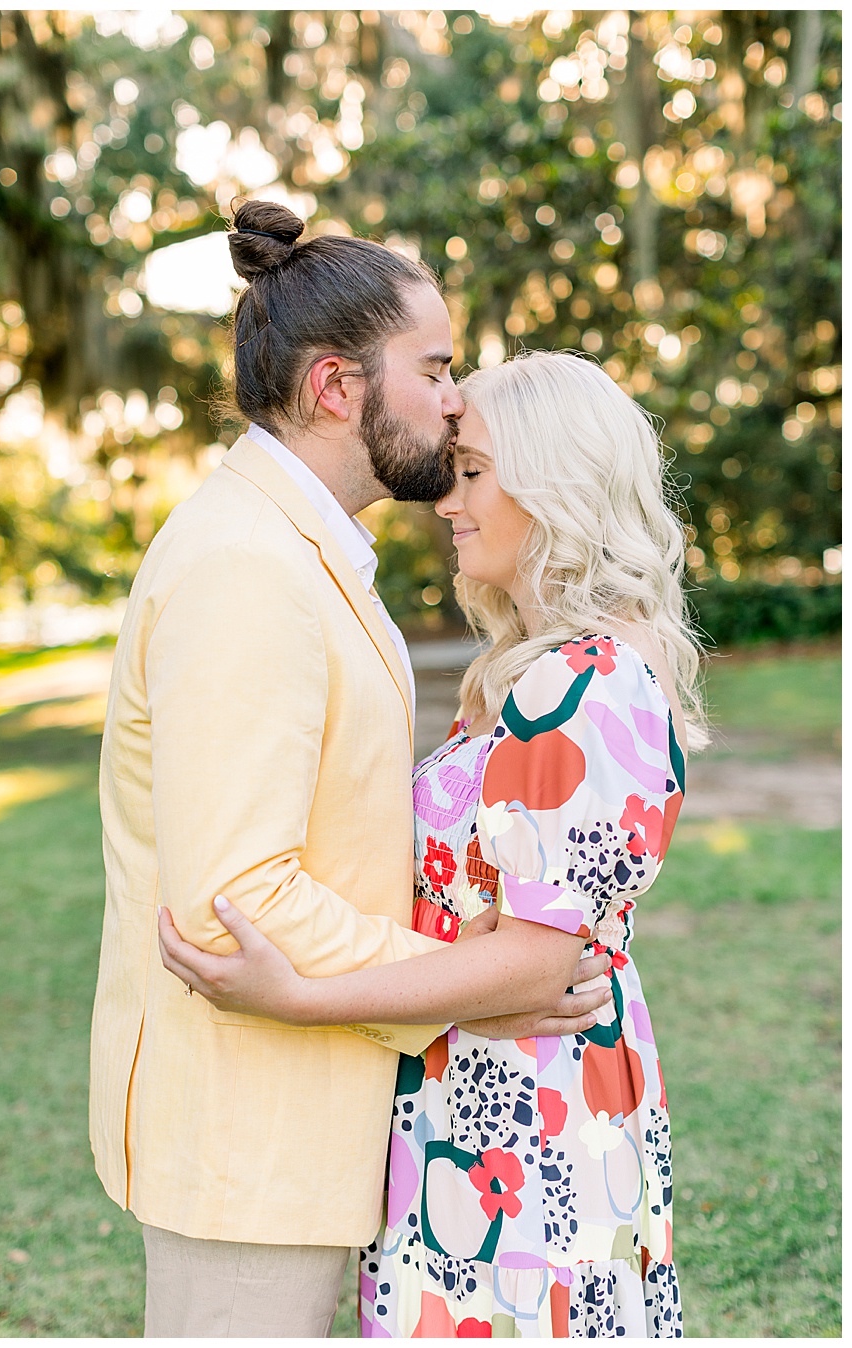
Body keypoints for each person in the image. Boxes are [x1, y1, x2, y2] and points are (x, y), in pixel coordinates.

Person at [88, 199, 613, 1338]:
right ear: (337, 386)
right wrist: (468, 981)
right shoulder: (245, 568)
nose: (457, 397)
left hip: (304, 1127)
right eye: (435, 367)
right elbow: (237, 903)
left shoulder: (300, 550)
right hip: (248, 1145)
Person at [162, 350, 702, 1336]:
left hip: (522, 1121)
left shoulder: (580, 686)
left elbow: (535, 961)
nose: (446, 500)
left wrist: (297, 997)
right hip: (490, 1098)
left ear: (555, 484)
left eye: (474, 472)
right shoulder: (537, 676)